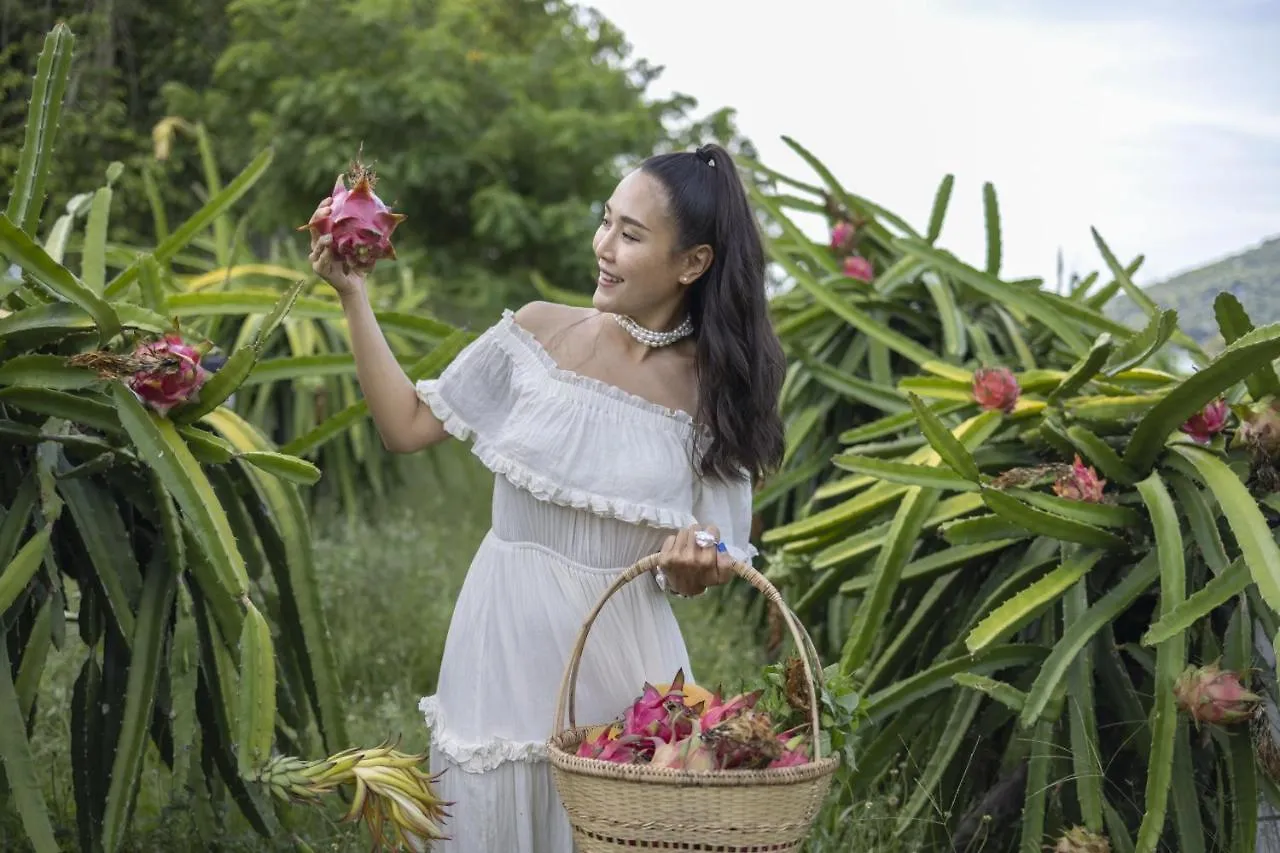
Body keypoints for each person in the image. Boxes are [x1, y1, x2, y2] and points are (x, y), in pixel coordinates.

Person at [307, 142, 786, 851]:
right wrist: (354, 295)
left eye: (631, 234)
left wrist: (697, 561)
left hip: (622, 671)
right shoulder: (537, 332)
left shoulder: (713, 396)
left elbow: (709, 557)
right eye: (606, 222)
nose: (605, 247)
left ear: (693, 263)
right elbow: (405, 425)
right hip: (497, 648)